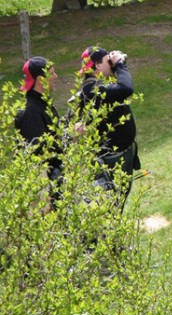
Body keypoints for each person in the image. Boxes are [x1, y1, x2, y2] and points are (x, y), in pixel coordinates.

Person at [78, 46, 140, 209]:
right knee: (113, 205)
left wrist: (113, 69)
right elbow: (126, 88)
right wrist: (120, 65)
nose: (110, 63)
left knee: (117, 204)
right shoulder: (92, 90)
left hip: (121, 155)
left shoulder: (98, 86)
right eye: (107, 61)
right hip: (113, 160)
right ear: (97, 65)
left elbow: (119, 89)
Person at [14, 56, 63, 209]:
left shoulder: (41, 102)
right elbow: (39, 153)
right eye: (52, 73)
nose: (56, 77)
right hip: (42, 188)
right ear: (41, 79)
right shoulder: (30, 111)